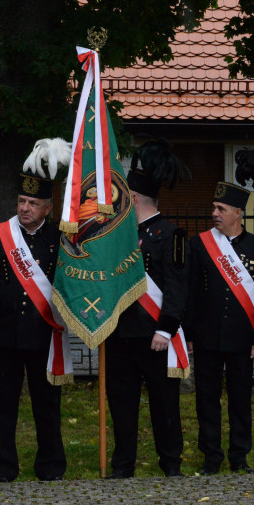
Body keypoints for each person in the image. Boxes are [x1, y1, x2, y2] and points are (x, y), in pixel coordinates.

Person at [0, 139, 71, 482]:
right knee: (1, 405)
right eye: (21, 201)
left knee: (47, 406)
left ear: (48, 207)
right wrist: (5, 306)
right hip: (4, 334)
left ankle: (50, 466)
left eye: (33, 203)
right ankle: (1, 467)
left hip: (45, 335)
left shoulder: (60, 239)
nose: (25, 208)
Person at [186, 152, 254, 474]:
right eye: (214, 208)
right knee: (206, 400)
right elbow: (191, 292)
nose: (214, 214)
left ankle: (239, 456)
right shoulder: (200, 245)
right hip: (207, 337)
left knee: (241, 400)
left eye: (221, 209)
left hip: (243, 339)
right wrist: (190, 334)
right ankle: (211, 456)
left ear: (238, 213)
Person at [105, 139, 189, 479]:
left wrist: (165, 329)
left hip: (155, 335)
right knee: (121, 404)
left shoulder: (172, 234)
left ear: (135, 198)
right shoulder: (116, 235)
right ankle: (122, 465)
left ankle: (170, 463)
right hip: (120, 333)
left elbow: (177, 286)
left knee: (164, 404)